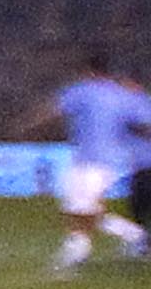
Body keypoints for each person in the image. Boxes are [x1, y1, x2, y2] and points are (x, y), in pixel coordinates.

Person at [43, 62, 150, 271]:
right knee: (84, 209)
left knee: (81, 210)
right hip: (102, 160)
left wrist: (30, 124)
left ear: (89, 71)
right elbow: (135, 122)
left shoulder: (91, 92)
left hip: (97, 161)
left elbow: (55, 110)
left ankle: (78, 251)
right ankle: (135, 236)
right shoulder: (119, 96)